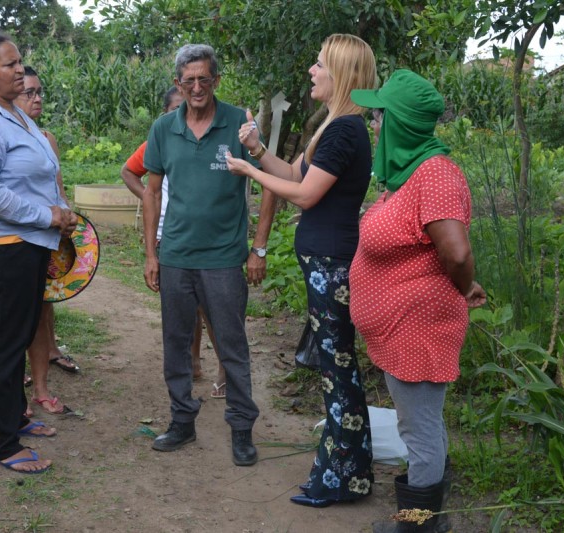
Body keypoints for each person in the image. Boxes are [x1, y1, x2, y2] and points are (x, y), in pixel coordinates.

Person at [225, 34, 376, 506]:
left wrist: (250, 173)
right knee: (334, 368)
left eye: (318, 64)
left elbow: (305, 196)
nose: (311, 71)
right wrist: (255, 149)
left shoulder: (346, 130)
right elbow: (293, 175)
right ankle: (344, 471)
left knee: (339, 369)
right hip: (323, 262)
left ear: (340, 74)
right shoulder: (333, 127)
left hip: (332, 264)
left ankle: (344, 478)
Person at [348, 69, 487, 532]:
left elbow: (457, 251)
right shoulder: (410, 172)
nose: (372, 123)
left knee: (418, 430)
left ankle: (418, 524)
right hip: (401, 327)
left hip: (419, 329)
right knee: (423, 422)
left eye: (378, 115)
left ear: (399, 121)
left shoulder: (436, 174)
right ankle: (430, 517)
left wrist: (466, 286)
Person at [142, 44, 276, 466]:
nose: (197, 87)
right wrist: (151, 253)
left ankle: (241, 428)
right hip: (177, 255)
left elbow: (271, 182)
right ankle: (182, 420)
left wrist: (259, 248)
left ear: (216, 80)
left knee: (232, 345)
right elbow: (152, 190)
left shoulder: (239, 123)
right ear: (177, 84)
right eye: (189, 80)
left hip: (223, 258)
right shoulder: (164, 128)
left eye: (204, 79)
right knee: (176, 343)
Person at [0, 33, 77, 474]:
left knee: (19, 336)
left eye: (20, 61)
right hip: (5, 249)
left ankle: (15, 418)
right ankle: (1, 443)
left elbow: (34, 175)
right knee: (5, 344)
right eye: (9, 65)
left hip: (27, 246)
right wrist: (47, 215)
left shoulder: (11, 115)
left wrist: (58, 213)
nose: (20, 70)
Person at [120, 86, 227, 398]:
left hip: (206, 238)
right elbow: (128, 171)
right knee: (184, 309)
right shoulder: (161, 138)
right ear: (167, 114)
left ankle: (224, 368)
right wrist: (149, 198)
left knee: (209, 308)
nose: (185, 113)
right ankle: (192, 362)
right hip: (169, 235)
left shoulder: (214, 138)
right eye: (176, 108)